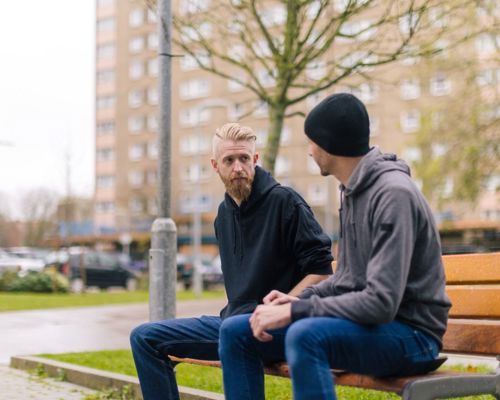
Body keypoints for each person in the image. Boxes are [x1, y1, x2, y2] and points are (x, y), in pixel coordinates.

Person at [218, 93, 452, 400]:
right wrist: (294, 300)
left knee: (306, 335)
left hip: (411, 335)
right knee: (236, 332)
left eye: (312, 142)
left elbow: (381, 303)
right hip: (368, 327)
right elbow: (347, 279)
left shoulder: (393, 195)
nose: (310, 152)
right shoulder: (352, 192)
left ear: (329, 145)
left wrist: (299, 311)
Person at [130, 122, 333, 399]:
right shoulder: (222, 216)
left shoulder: (286, 202)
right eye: (229, 160)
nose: (238, 167)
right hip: (232, 322)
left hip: (279, 327)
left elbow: (322, 270)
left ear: (255, 160)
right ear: (215, 166)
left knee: (234, 333)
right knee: (144, 338)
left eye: (244, 158)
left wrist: (281, 308)